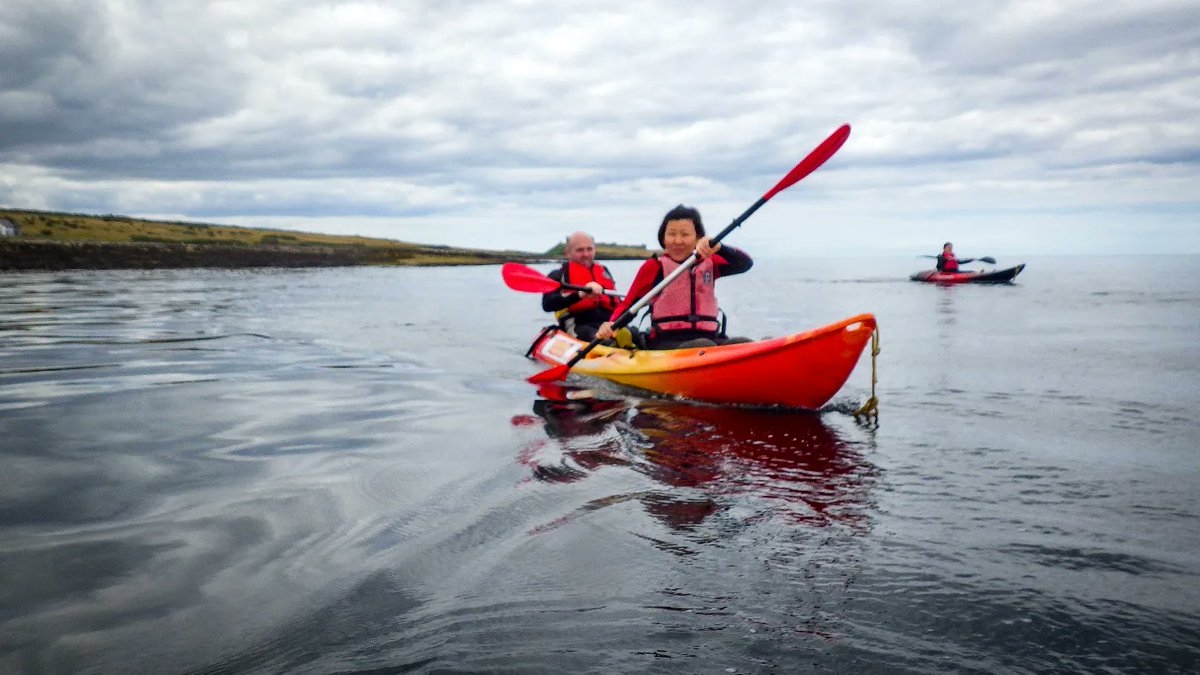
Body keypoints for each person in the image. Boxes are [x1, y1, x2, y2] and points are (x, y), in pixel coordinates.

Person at [596, 204, 752, 350]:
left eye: (685, 234)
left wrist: (721, 248)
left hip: (709, 337)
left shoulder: (711, 263)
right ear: (663, 237)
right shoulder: (654, 267)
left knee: (743, 343)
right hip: (666, 342)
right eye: (671, 234)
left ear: (698, 238)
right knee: (703, 345)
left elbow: (745, 264)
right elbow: (628, 306)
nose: (678, 241)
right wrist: (611, 324)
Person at [541, 231, 619, 341]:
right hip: (578, 324)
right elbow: (547, 304)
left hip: (608, 323)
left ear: (594, 249)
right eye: (580, 250)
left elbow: (618, 303)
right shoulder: (558, 275)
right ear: (567, 253)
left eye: (589, 249)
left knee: (634, 335)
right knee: (598, 338)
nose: (586, 254)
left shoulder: (604, 271)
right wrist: (579, 295)